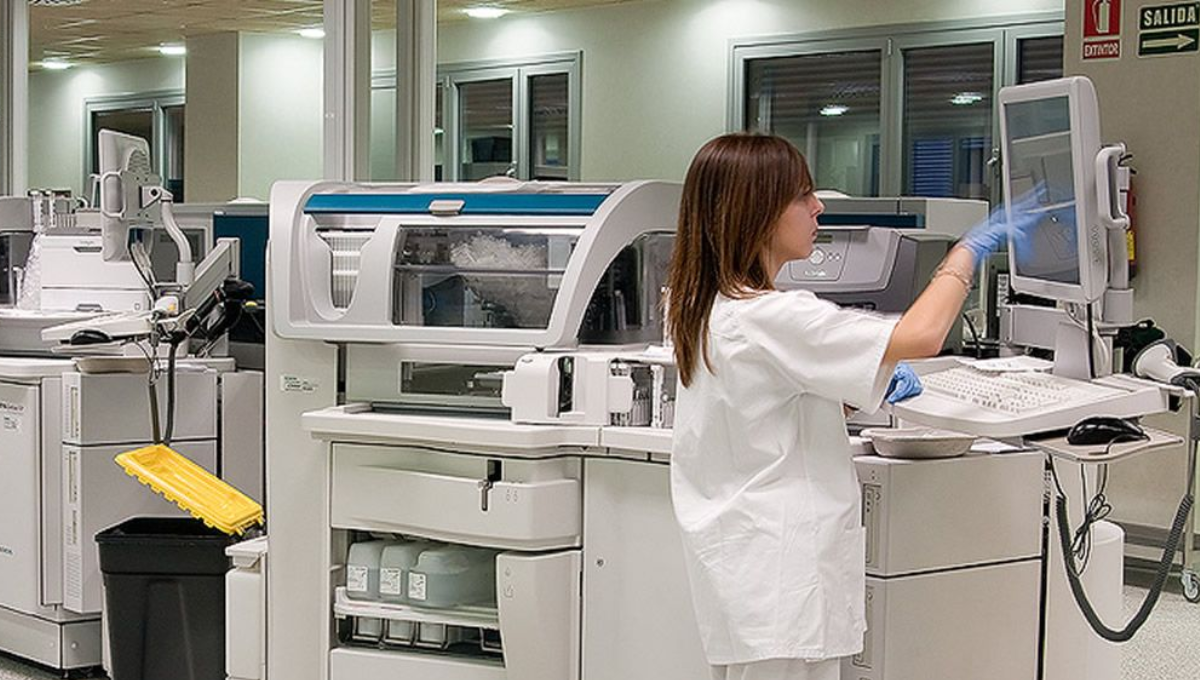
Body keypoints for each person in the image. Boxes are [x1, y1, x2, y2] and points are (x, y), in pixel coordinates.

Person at [666, 133, 1038, 680]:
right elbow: (924, 334)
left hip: (750, 566)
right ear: (758, 212)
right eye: (803, 196)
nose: (819, 207)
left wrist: (840, 401)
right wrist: (966, 253)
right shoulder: (771, 316)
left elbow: (762, 410)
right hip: (781, 571)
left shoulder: (704, 306)